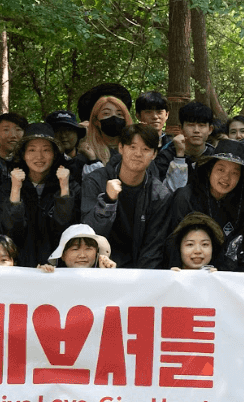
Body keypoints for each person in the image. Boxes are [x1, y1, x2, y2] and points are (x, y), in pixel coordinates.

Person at [81, 124, 174, 269]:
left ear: (154, 154)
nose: (138, 154)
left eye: (146, 149)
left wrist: (138, 281)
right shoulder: (96, 181)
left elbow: (154, 246)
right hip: (98, 268)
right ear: (121, 148)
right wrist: (107, 201)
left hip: (138, 272)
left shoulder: (160, 194)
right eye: (132, 147)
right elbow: (87, 233)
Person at [169, 139, 244, 266]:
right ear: (209, 171)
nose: (226, 177)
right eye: (221, 169)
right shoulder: (185, 197)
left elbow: (242, 245)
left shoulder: (243, 203)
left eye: (234, 173)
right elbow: (173, 241)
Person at [0, 122, 77, 267]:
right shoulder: (7, 186)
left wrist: (64, 189)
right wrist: (15, 189)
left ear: (54, 154)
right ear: (23, 154)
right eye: (32, 150)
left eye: (46, 150)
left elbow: (65, 230)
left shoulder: (71, 184)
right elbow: (12, 232)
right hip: (20, 268)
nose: (39, 156)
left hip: (59, 269)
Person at [157, 100, 217, 190]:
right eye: (191, 125)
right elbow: (169, 193)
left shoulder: (215, 157)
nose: (196, 130)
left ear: (210, 129)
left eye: (202, 125)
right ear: (181, 128)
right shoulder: (166, 156)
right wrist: (179, 156)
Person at [79, 93, 133, 170]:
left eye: (119, 114)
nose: (114, 117)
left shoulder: (136, 149)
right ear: (96, 121)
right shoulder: (87, 152)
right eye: (106, 113)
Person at [45, 109, 91, 187]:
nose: (63, 135)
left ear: (77, 134)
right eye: (57, 130)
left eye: (68, 130)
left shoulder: (89, 162)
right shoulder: (41, 164)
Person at [39, 223, 114, 270]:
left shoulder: (105, 275)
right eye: (75, 249)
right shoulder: (53, 276)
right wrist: (43, 277)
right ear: (63, 255)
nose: (82, 255)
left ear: (96, 253)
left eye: (88, 249)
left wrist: (107, 274)